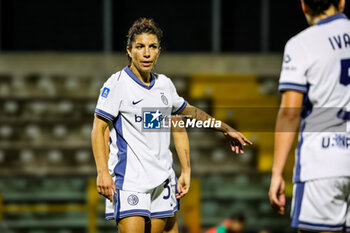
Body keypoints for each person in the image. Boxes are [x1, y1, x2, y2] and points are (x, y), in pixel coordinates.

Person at [91, 18, 252, 233]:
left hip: (163, 181)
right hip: (131, 181)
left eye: (152, 47)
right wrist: (102, 172)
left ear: (159, 51)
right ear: (129, 51)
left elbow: (188, 116)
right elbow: (98, 128)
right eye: (140, 47)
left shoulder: (165, 86)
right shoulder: (117, 84)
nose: (147, 53)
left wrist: (225, 128)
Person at [268, 0, 350, 232]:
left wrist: (277, 173)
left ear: (304, 5)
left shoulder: (301, 43)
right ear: (341, 2)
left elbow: (289, 113)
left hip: (323, 163)